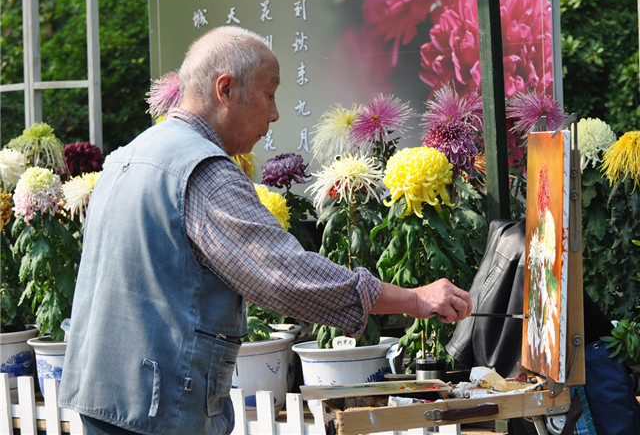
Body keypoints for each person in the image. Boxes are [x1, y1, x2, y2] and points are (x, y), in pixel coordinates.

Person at [59, 26, 472, 435]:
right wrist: (414, 299)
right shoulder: (204, 172)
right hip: (157, 409)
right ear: (226, 89)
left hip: (103, 398)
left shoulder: (125, 158)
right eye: (269, 94)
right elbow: (283, 276)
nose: (274, 114)